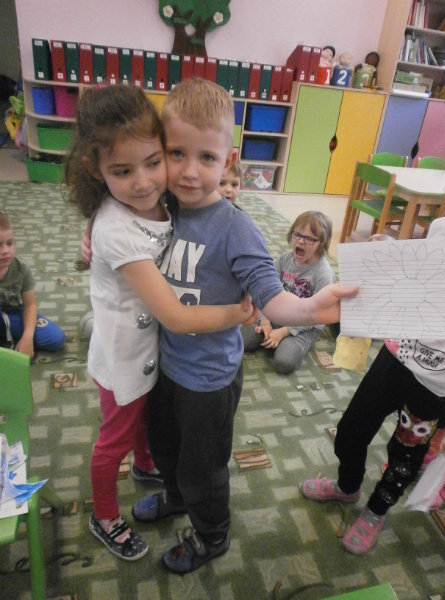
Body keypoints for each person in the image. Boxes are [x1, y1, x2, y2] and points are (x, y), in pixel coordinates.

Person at [127, 78, 357, 574]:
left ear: (228, 160)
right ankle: (176, 498)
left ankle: (212, 535)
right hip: (164, 365)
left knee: (203, 469)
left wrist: (315, 309)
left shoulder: (237, 229)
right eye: (177, 153)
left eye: (206, 158)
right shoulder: (160, 209)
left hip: (209, 380)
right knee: (163, 447)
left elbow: (273, 299)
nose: (190, 171)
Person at [65, 84, 255, 561]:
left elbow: (211, 220)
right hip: (127, 357)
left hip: (160, 354)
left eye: (154, 162)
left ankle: (172, 491)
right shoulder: (117, 222)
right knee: (119, 438)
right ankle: (104, 515)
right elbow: (173, 313)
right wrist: (237, 315)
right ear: (96, 169)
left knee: (160, 433)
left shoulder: (166, 199)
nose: (145, 182)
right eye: (123, 171)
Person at [302, 216, 445, 555]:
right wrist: (387, 257)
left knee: (404, 457)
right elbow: (420, 275)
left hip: (436, 383)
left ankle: (375, 511)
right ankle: (347, 487)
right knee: (351, 430)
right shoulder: (443, 226)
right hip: (397, 355)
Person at [241, 211, 335, 374]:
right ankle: (269, 336)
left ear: (321, 243)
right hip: (277, 315)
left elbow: (318, 316)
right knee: (240, 340)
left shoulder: (323, 273)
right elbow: (265, 290)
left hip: (305, 326)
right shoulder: (284, 260)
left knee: (284, 362)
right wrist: (265, 320)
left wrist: (283, 332)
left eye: (309, 239)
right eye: (297, 234)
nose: (301, 241)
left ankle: (283, 341)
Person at [0, 212, 65, 357]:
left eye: (9, 243)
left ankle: (9, 338)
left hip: (13, 314)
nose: (5, 251)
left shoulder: (21, 268)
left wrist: (27, 337)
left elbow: (30, 305)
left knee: (55, 338)